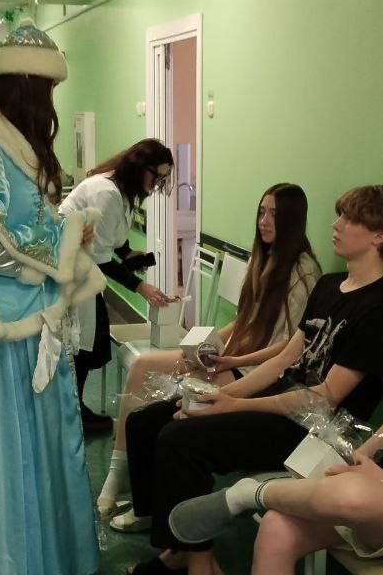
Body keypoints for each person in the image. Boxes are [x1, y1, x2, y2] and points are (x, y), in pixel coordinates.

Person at [167, 232, 383, 573]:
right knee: (277, 526)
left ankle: (251, 493)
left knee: (352, 495)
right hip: (381, 488)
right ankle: (276, 492)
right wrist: (354, 460)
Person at [122, 185, 383, 575]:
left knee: (180, 439)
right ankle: (178, 546)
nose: (336, 224)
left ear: (379, 236)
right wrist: (221, 396)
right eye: (340, 215)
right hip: (281, 403)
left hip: (313, 430)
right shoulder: (329, 285)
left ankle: (198, 562)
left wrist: (234, 405)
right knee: (147, 421)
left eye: (350, 219)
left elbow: (326, 396)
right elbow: (285, 358)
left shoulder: (382, 309)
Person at [0, 20, 108, 575]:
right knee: (11, 443)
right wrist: (63, 244)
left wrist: (68, 230)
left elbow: (24, 223)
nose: (52, 104)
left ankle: (53, 556)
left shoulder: (11, 142)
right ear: (30, 89)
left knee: (45, 437)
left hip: (34, 309)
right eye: (49, 91)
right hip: (8, 317)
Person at [96, 183, 322, 517]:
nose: (264, 221)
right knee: (142, 368)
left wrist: (232, 360)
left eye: (274, 214)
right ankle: (119, 475)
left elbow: (287, 347)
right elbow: (245, 320)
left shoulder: (303, 272)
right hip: (233, 356)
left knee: (167, 406)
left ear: (293, 219)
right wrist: (205, 343)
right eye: (261, 212)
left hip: (255, 371)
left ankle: (145, 485)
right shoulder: (265, 259)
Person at [59, 138, 176, 433]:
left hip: (84, 268)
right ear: (141, 167)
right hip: (73, 269)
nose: (157, 184)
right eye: (157, 176)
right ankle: (72, 412)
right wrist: (140, 287)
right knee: (83, 343)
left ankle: (74, 408)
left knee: (90, 340)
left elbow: (114, 240)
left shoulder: (121, 192)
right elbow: (99, 258)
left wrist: (129, 255)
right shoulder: (106, 192)